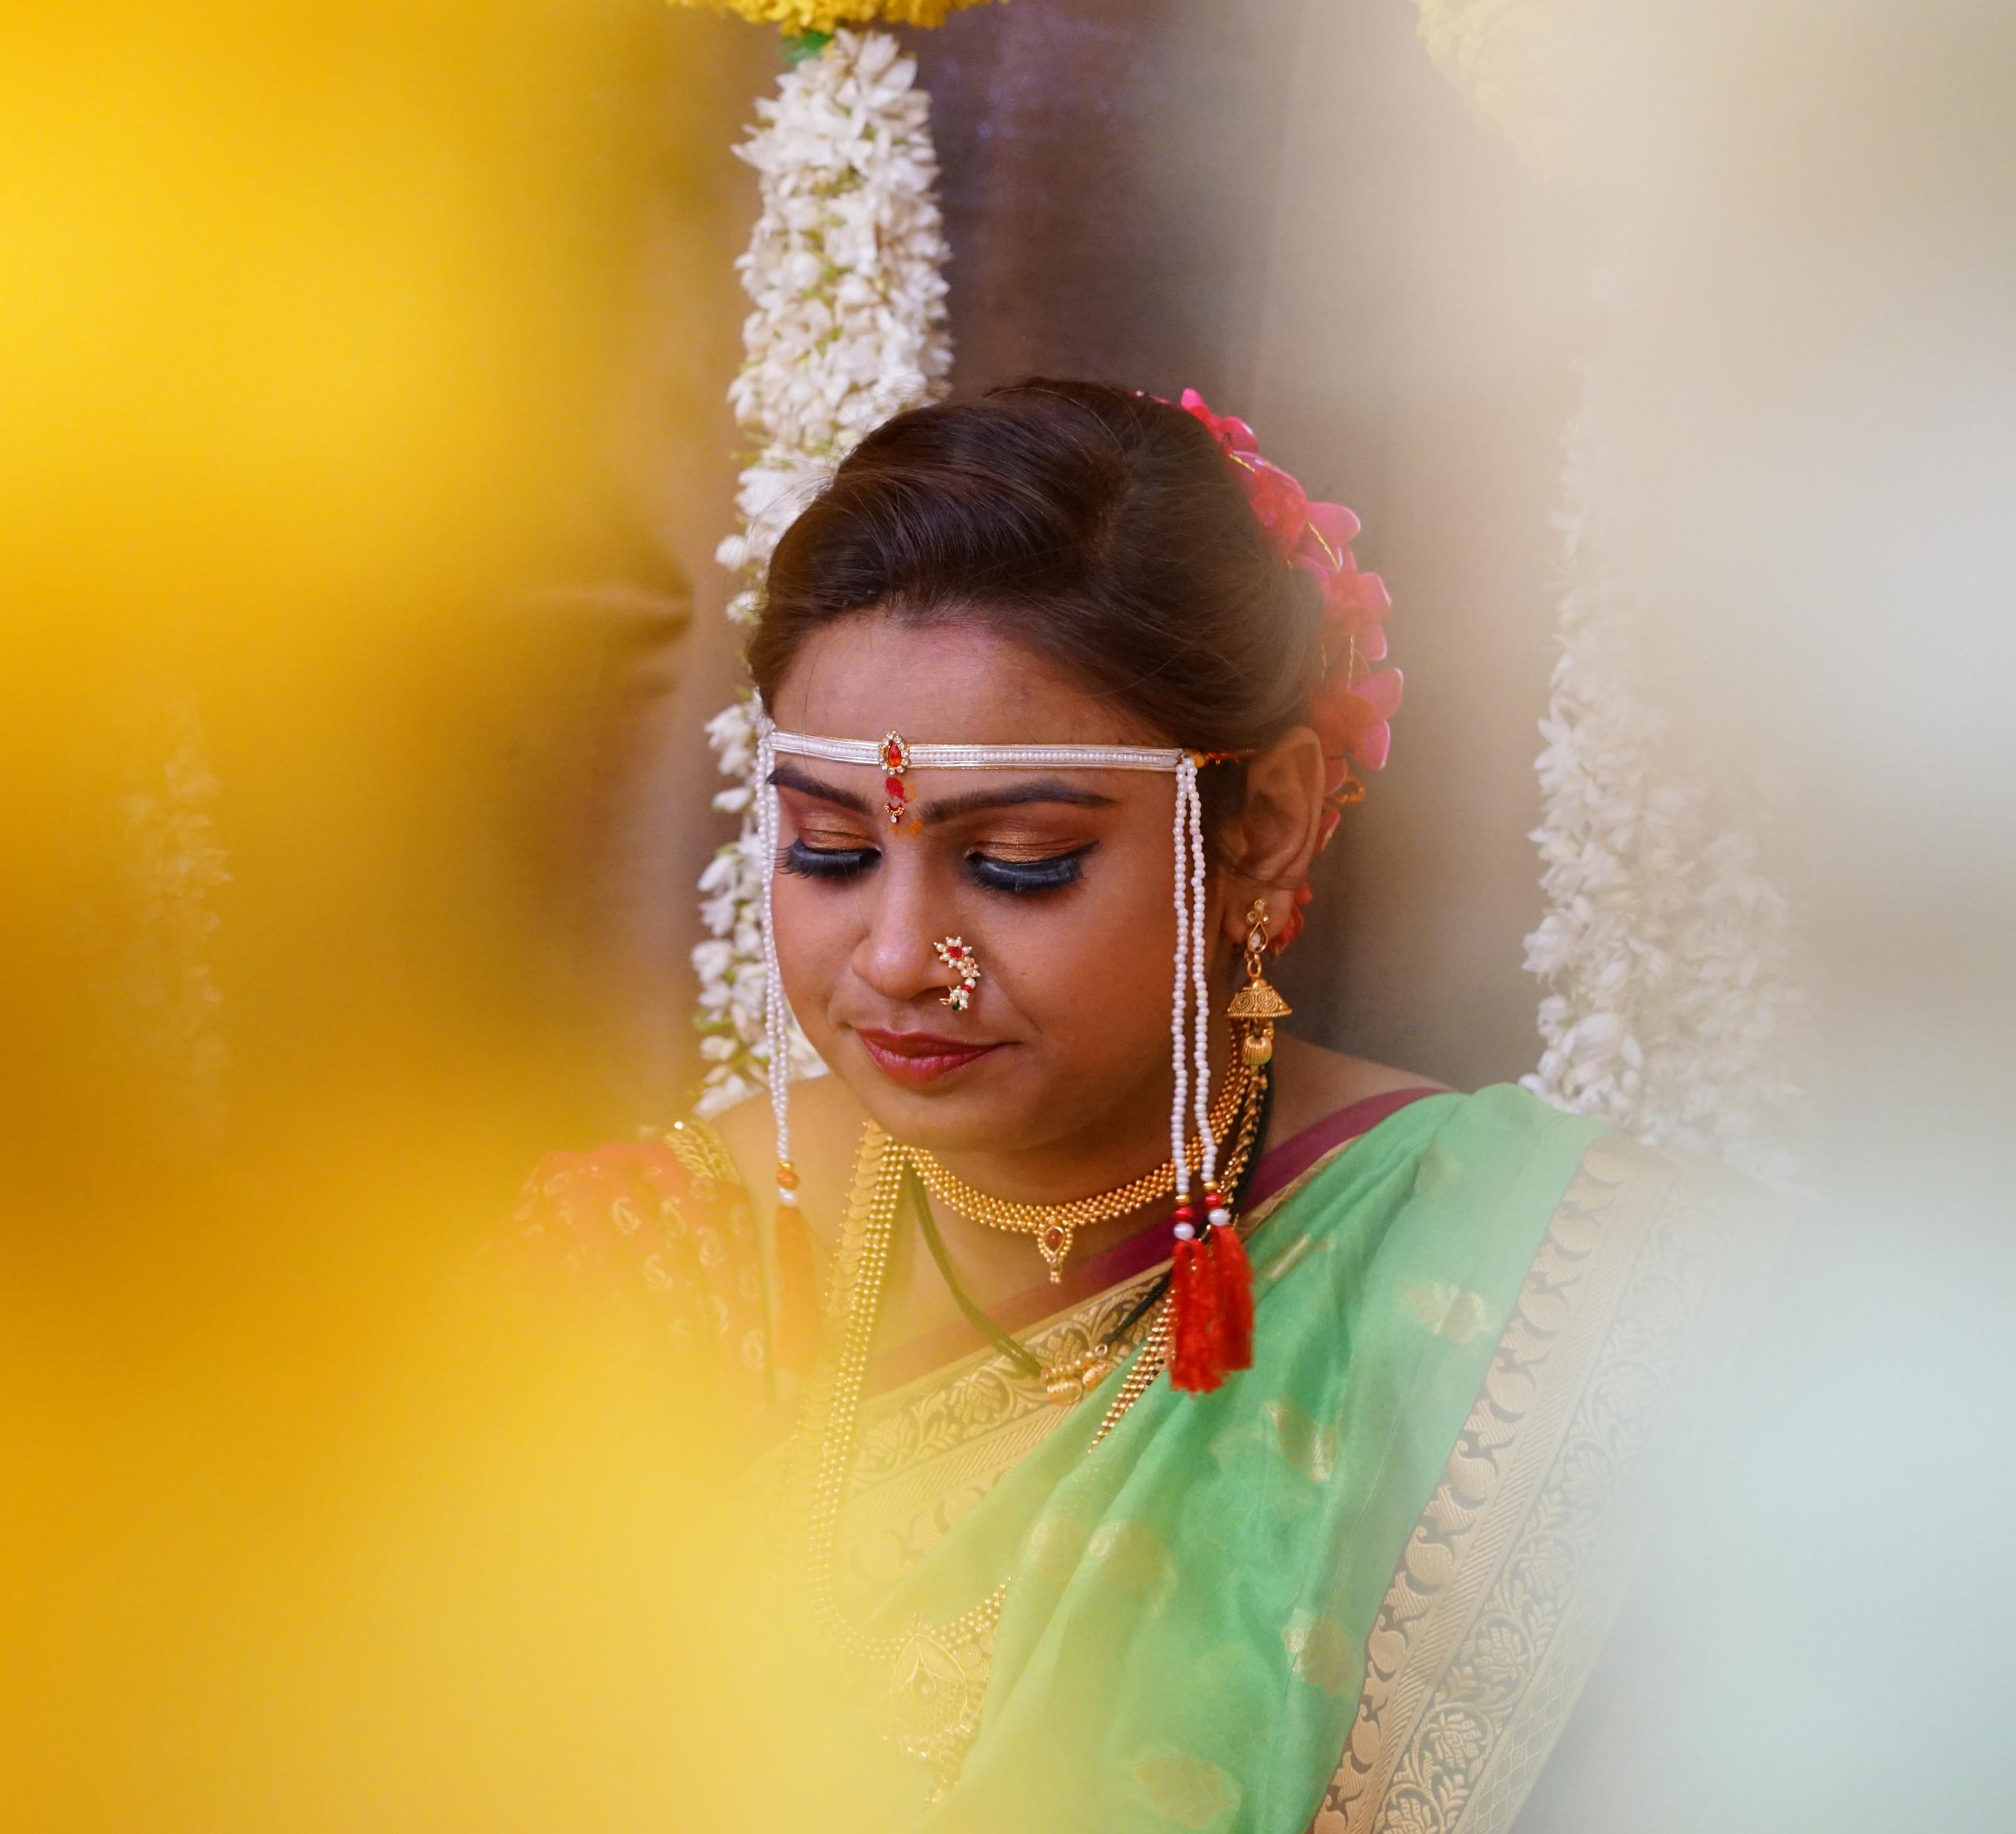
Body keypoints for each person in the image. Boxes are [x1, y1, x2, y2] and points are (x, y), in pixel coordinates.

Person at [513, 381, 1746, 1833]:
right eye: (830, 850)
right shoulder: (661, 1267)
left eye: (1022, 860)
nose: (904, 956)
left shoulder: (1566, 1298)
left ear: (1266, 823)